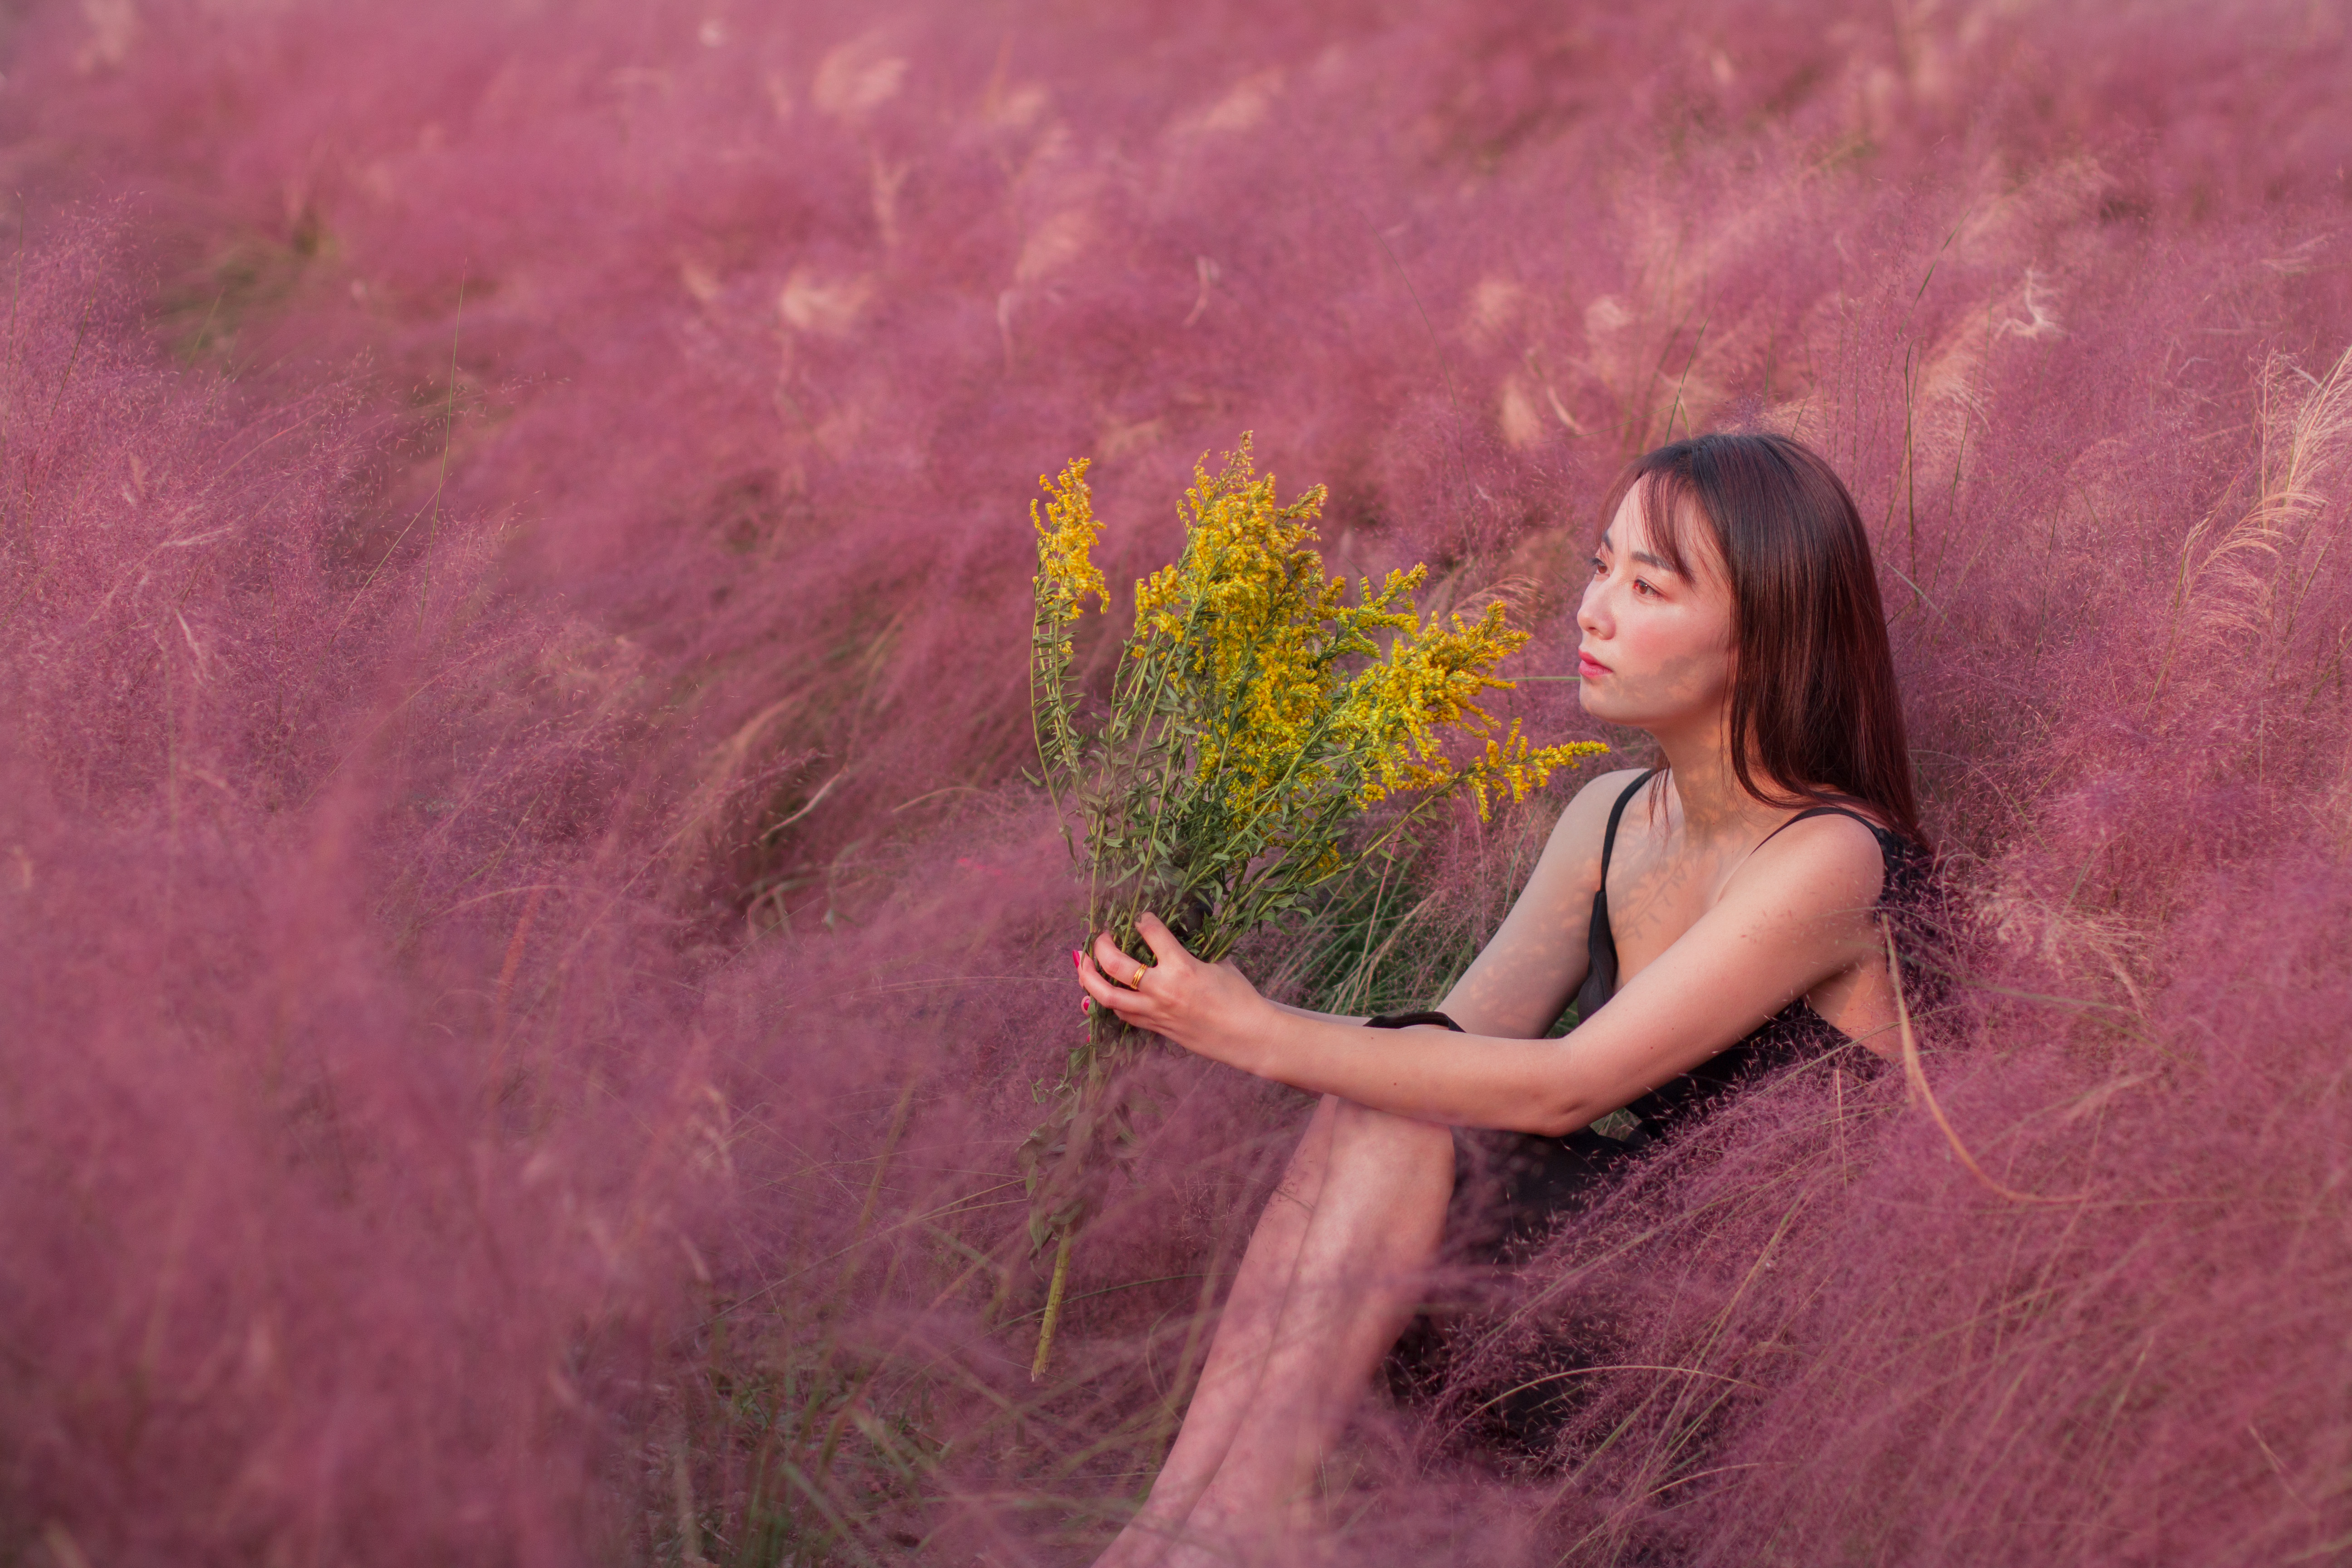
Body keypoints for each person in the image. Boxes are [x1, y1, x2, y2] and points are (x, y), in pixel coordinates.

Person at [1073, 431, 1932, 1568]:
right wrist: (1191, 1004)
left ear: (1763, 632)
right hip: (1613, 1292)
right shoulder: (1614, 818)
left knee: (1393, 1102)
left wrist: (1255, 1032)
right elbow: (1446, 1051)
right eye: (1598, 567)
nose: (1594, 611)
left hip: (1762, 1367)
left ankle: (1244, 1531)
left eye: (1646, 585)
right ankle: (1178, 1534)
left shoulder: (1832, 858)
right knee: (1383, 1100)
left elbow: (1567, 1087)